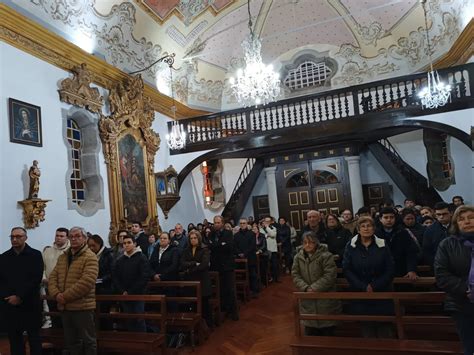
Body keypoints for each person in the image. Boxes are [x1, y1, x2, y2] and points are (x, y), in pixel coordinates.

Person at [48, 226, 99, 355]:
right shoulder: (63, 257)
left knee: (89, 341)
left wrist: (64, 296)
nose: (74, 239)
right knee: (71, 341)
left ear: (85, 239)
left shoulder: (90, 257)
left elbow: (86, 282)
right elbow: (53, 277)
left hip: (82, 307)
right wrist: (56, 294)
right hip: (65, 307)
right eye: (71, 236)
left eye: (78, 236)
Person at [343, 216, 395, 338]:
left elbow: (390, 268)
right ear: (358, 229)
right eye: (363, 226)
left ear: (374, 229)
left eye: (369, 226)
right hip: (361, 293)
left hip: (381, 291)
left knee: (385, 329)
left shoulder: (382, 244)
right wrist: (362, 286)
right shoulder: (351, 246)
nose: (366, 228)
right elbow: (347, 269)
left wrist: (375, 285)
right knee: (367, 328)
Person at [435, 205, 474, 355]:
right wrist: (467, 288)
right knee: (470, 346)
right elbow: (441, 275)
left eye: (471, 218)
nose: (467, 222)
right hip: (461, 304)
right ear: (456, 224)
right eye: (462, 219)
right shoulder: (447, 244)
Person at [0, 227, 43, 355]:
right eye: (12, 237)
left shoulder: (35, 255)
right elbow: (1, 281)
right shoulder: (4, 257)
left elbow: (36, 279)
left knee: (34, 339)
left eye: (18, 236)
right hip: (10, 305)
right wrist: (9, 297)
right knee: (15, 340)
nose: (14, 239)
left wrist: (19, 296)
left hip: (30, 303)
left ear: (25, 238)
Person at [292, 231, 341, 336]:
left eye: (311, 242)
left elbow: (330, 275)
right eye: (305, 242)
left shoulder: (326, 255)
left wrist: (314, 288)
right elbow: (295, 275)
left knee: (328, 334)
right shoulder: (298, 257)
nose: (307, 245)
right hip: (308, 299)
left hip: (325, 299)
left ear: (316, 243)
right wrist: (305, 287)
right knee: (310, 333)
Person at [113, 234, 150, 332]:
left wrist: (131, 291)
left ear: (134, 244)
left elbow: (144, 277)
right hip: (124, 294)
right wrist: (122, 291)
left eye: (129, 243)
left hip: (138, 294)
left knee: (139, 318)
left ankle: (142, 341)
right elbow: (116, 277)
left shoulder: (142, 258)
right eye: (124, 243)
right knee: (129, 319)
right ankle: (133, 342)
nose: (126, 245)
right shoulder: (120, 260)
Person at [208, 215, 238, 320]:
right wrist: (220, 245)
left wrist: (217, 245)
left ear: (222, 223)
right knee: (220, 289)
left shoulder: (228, 233)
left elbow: (228, 247)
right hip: (215, 266)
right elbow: (210, 246)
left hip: (226, 266)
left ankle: (233, 312)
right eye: (215, 222)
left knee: (230, 289)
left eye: (218, 222)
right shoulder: (211, 234)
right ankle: (224, 309)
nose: (216, 224)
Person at [181, 230, 213, 327]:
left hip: (202, 280)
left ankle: (208, 324)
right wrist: (194, 263)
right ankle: (197, 325)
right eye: (191, 238)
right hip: (191, 281)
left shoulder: (204, 249)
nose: (193, 240)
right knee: (193, 303)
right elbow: (182, 264)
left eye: (195, 238)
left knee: (204, 304)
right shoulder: (186, 250)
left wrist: (190, 269)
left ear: (198, 238)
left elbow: (204, 264)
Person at [376, 207, 419, 279]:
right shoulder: (375, 234)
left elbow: (411, 253)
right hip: (381, 273)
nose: (389, 220)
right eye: (386, 217)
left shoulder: (403, 232)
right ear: (380, 219)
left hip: (402, 271)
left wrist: (411, 270)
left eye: (391, 217)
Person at [42, 227, 70, 328]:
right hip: (49, 286)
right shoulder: (47, 251)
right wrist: (44, 278)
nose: (58, 238)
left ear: (67, 238)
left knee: (67, 315)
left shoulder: (71, 251)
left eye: (61, 236)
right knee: (53, 313)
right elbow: (42, 267)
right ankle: (56, 338)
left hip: (65, 288)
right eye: (57, 235)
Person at [423, 202, 452, 267]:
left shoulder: (459, 226)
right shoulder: (430, 230)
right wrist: (437, 264)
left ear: (451, 213)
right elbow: (427, 251)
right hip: (439, 266)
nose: (441, 216)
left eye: (444, 214)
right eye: (438, 214)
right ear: (435, 215)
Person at [234, 218, 258, 296]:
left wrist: (244, 253)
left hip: (250, 257)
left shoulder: (252, 234)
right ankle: (244, 292)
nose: (242, 225)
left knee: (252, 275)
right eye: (241, 223)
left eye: (244, 223)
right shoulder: (236, 235)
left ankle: (254, 291)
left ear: (247, 224)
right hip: (240, 258)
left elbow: (252, 246)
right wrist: (239, 253)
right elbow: (235, 246)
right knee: (242, 276)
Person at [260, 216, 280, 283]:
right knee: (266, 266)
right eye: (266, 221)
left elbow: (273, 235)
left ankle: (275, 278)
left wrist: (267, 229)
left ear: (271, 222)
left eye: (268, 221)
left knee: (274, 264)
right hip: (266, 250)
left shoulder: (274, 228)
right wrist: (267, 235)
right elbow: (262, 236)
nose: (267, 222)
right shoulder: (261, 229)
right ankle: (267, 279)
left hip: (273, 249)